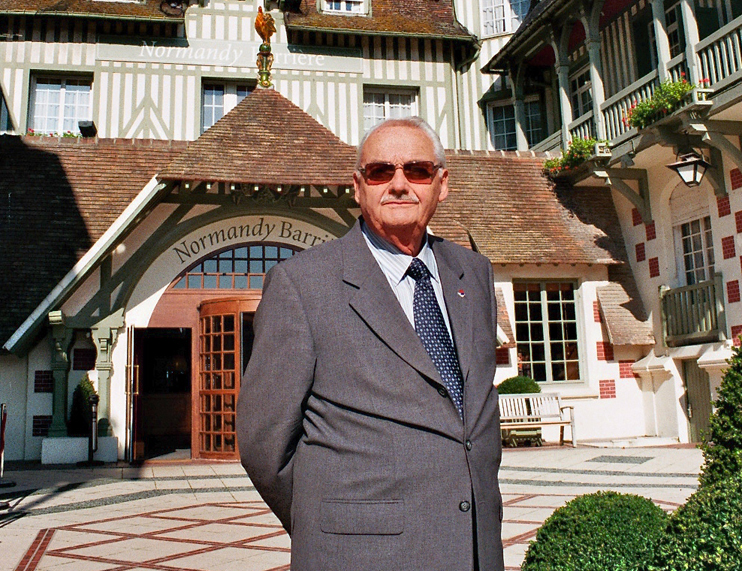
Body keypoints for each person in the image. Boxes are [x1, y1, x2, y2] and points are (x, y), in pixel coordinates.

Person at [237, 117, 503, 571]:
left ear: (442, 184)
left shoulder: (472, 273)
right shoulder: (302, 284)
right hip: (360, 554)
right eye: (381, 172)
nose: (399, 185)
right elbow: (265, 444)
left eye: (417, 170)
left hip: (474, 547)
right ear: (358, 187)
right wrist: (327, 518)